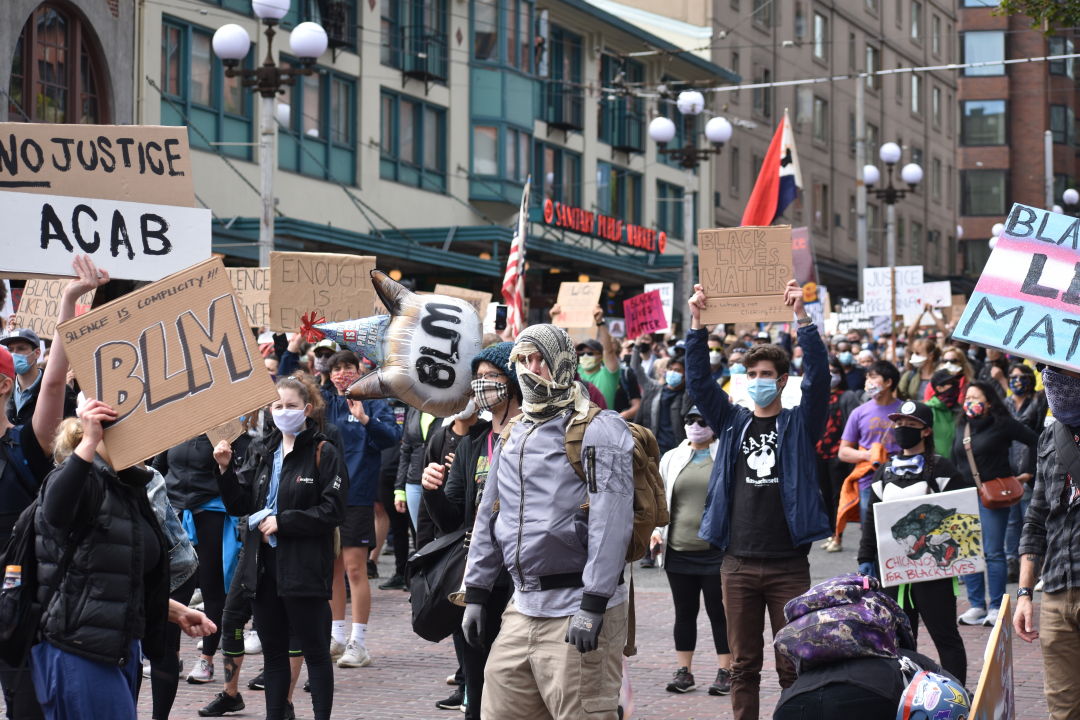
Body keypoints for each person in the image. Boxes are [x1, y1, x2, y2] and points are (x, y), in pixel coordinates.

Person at [461, 325, 634, 720]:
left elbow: (612, 521)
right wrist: (476, 590)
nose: (531, 368)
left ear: (562, 362)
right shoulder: (515, 433)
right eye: (522, 360)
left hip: (576, 605)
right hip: (522, 606)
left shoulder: (599, 428)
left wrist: (593, 604)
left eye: (539, 358)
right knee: (500, 709)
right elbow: (491, 514)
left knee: (581, 712)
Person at [685, 279, 831, 720]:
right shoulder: (730, 421)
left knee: (794, 664)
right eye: (752, 375)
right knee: (743, 665)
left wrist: (802, 317)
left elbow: (821, 377)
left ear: (782, 381)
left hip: (788, 564)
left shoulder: (800, 425)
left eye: (767, 375)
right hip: (738, 563)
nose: (758, 381)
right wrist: (697, 322)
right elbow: (698, 380)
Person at [32, 394, 216, 720]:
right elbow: (55, 511)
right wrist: (89, 442)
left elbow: (114, 574)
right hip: (80, 649)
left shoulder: (128, 488)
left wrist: (174, 611)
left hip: (121, 646)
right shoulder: (78, 479)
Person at [0, 256, 108, 720]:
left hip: (23, 613)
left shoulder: (27, 443)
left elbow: (56, 379)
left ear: (4, 384)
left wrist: (69, 298)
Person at [213, 376, 346, 720]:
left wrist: (284, 521)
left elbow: (332, 511)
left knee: (315, 651)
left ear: (307, 410)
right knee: (273, 654)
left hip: (303, 568)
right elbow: (241, 504)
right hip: (264, 568)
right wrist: (225, 470)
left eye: (290, 406)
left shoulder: (323, 451)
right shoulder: (264, 453)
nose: (283, 412)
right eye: (277, 406)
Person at [422, 342, 522, 719]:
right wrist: (431, 491)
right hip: (480, 583)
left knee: (515, 686)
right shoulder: (472, 446)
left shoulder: (534, 438)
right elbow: (451, 522)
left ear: (512, 383)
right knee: (476, 687)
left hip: (520, 582)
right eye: (475, 379)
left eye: (489, 378)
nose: (480, 387)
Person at [856, 401, 969, 684]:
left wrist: (957, 555)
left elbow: (961, 515)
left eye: (910, 425)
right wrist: (865, 558)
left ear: (926, 431)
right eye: (898, 424)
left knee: (945, 635)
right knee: (900, 639)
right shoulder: (884, 471)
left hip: (933, 571)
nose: (902, 430)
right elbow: (871, 517)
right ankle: (907, 694)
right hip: (893, 571)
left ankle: (957, 696)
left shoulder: (942, 469)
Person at [317, 350, 398, 668]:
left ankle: (359, 642)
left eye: (347, 368)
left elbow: (390, 438)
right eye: (336, 369)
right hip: (325, 499)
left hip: (358, 497)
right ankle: (336, 638)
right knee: (332, 569)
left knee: (354, 570)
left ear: (359, 369)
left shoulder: (374, 400)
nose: (341, 374)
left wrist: (365, 418)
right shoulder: (323, 402)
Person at [153, 431, 250, 684]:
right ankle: (170, 657)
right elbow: (158, 468)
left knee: (212, 587)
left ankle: (207, 660)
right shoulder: (177, 423)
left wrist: (224, 463)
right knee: (172, 589)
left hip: (211, 511)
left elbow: (239, 473)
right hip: (174, 512)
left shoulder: (226, 430)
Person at [651, 406, 731, 696]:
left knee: (718, 612)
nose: (695, 425)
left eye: (702, 420)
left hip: (715, 550)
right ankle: (684, 672)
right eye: (690, 420)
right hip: (678, 549)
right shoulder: (671, 458)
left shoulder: (725, 455)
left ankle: (726, 670)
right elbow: (660, 501)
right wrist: (656, 533)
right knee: (684, 612)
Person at [1015, 367, 1080, 719]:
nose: (1052, 378)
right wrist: (1026, 594)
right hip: (1056, 589)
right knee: (1063, 710)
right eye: (1049, 371)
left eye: (1065, 372)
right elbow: (1036, 518)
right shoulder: (1051, 436)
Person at [953, 381, 1038, 627]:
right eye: (967, 397)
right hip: (964, 496)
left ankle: (996, 605)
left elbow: (1034, 440)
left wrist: (1027, 471)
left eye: (976, 397)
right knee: (969, 552)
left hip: (993, 496)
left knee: (993, 552)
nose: (970, 401)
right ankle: (976, 604)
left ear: (989, 401)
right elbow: (955, 456)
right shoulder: (963, 424)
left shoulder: (1002, 424)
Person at [837, 361, 903, 532]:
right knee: (870, 531)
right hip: (868, 480)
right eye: (867, 378)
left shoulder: (904, 411)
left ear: (888, 382)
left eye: (873, 377)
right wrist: (869, 455)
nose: (868, 382)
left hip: (902, 478)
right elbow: (843, 452)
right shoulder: (859, 412)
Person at [1004, 362, 1046, 583]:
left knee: (1031, 519)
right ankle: (1012, 563)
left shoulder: (1038, 401)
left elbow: (1038, 436)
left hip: (1029, 470)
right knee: (1012, 522)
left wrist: (1030, 470)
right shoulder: (1004, 404)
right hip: (1009, 470)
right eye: (1013, 376)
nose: (1017, 380)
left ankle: (1033, 569)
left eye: (1022, 376)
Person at [817, 358, 859, 553]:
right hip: (818, 453)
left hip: (839, 454)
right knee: (825, 495)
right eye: (828, 371)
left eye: (835, 371)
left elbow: (853, 425)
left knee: (836, 496)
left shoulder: (847, 396)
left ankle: (838, 536)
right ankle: (831, 533)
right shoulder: (817, 395)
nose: (831, 375)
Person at [632, 348, 692, 456]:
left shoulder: (687, 396)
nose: (672, 372)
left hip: (677, 453)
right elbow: (638, 421)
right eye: (670, 369)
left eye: (677, 370)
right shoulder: (653, 392)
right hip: (652, 451)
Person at [564, 305, 620, 410]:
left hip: (603, 423)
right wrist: (558, 322)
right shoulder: (575, 373)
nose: (585, 356)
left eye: (590, 353)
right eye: (581, 354)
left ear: (601, 356)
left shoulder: (608, 375)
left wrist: (600, 322)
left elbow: (609, 351)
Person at [925, 370, 963, 459]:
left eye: (956, 382)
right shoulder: (928, 410)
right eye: (951, 383)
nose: (956, 385)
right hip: (937, 466)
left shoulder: (961, 411)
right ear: (939, 388)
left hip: (959, 467)